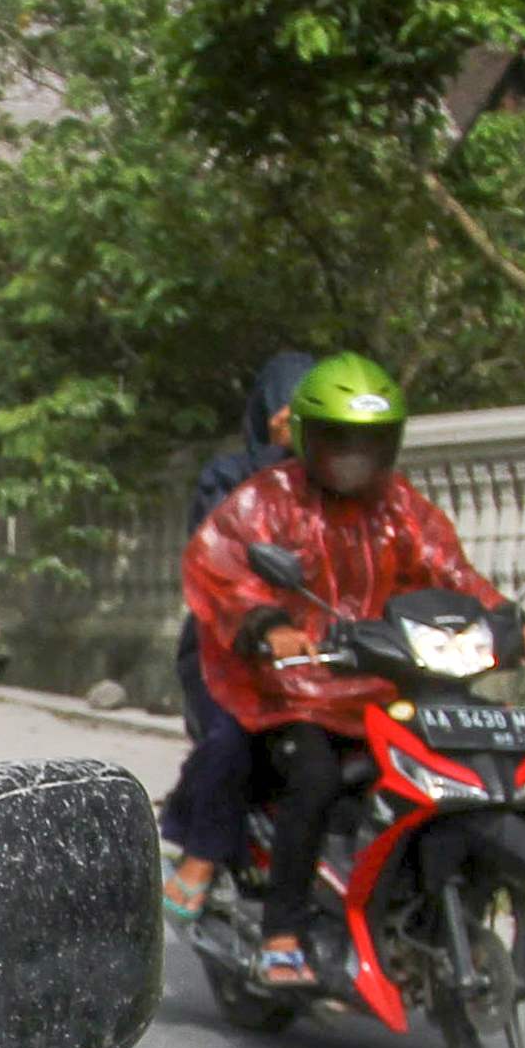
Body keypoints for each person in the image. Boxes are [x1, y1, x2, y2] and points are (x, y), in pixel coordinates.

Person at [180, 352, 525, 991]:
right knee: (315, 775)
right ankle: (283, 933)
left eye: (370, 442)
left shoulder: (401, 507)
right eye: (341, 440)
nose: (355, 456)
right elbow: (223, 568)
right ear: (309, 438)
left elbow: (449, 571)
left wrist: (505, 620)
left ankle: (425, 907)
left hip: (380, 678)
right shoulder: (269, 500)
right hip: (290, 690)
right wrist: (270, 627)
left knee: (452, 765)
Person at [159, 349, 317, 923]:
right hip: (226, 645)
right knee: (235, 733)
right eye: (288, 410)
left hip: (324, 650)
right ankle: (200, 855)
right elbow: (217, 558)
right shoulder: (230, 477)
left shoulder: (343, 488)